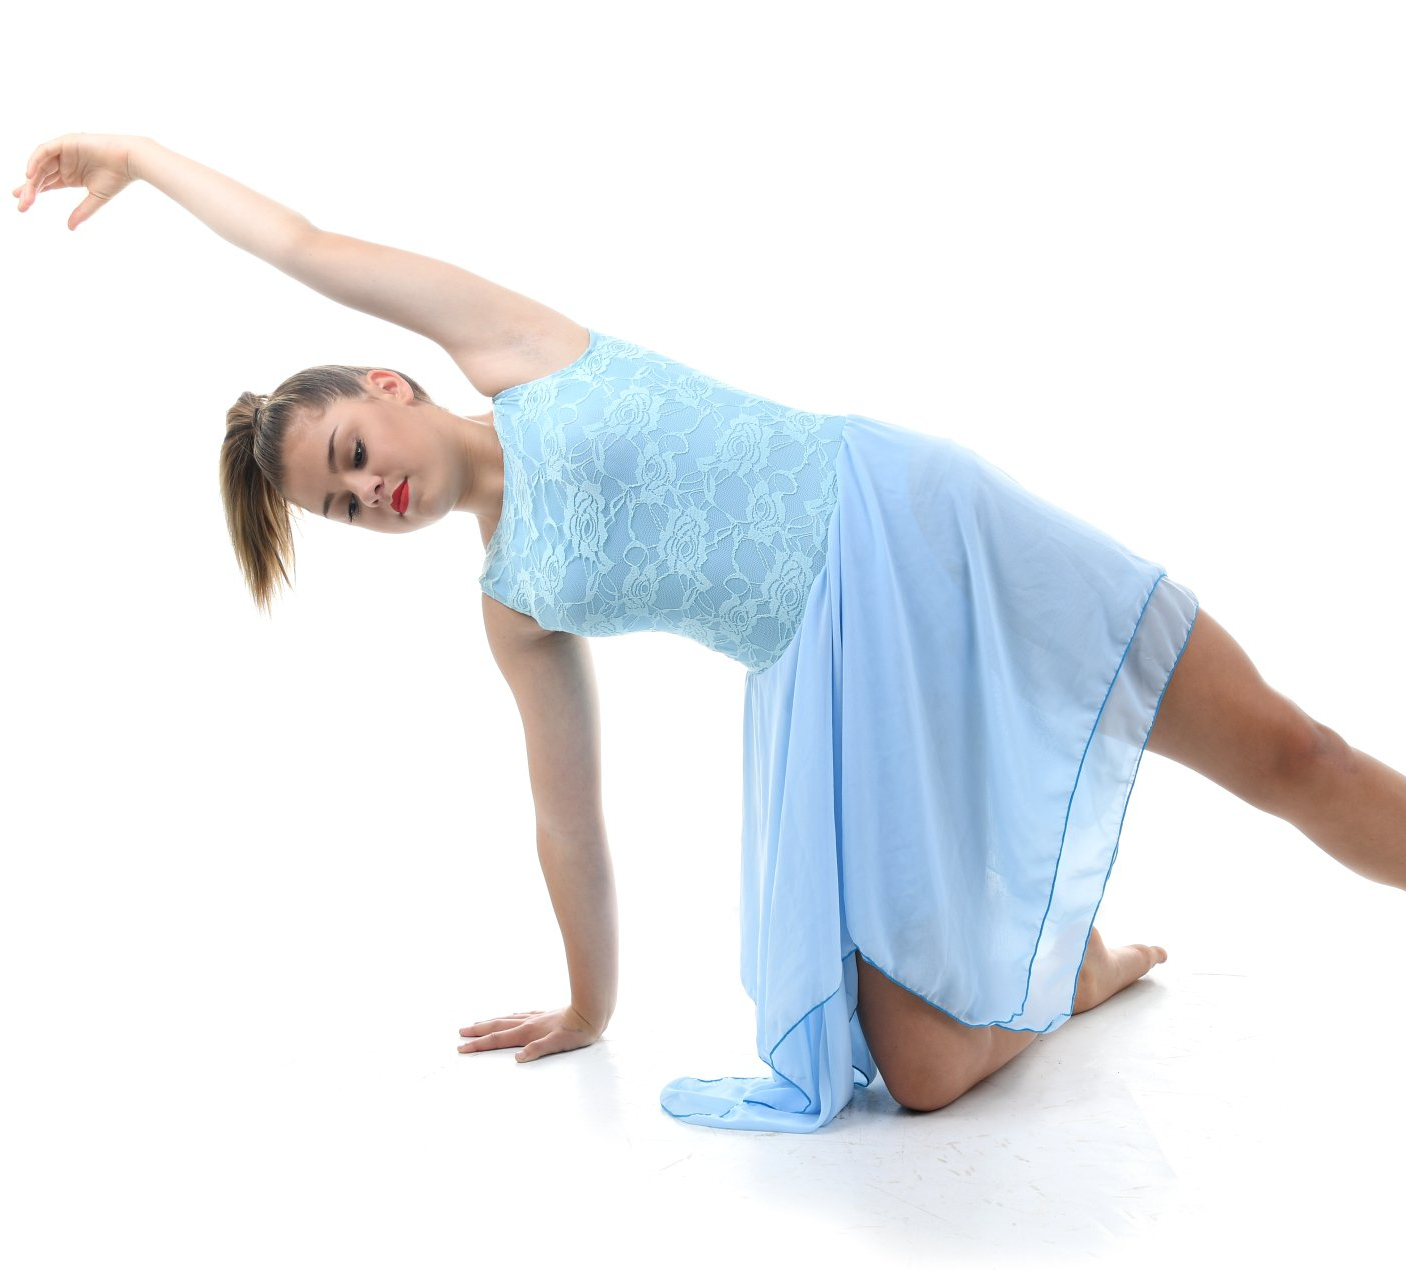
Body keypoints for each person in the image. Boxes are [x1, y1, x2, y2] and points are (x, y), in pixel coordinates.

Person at [16, 133, 1406, 1133]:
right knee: (915, 1074)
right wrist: (586, 1005)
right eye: (343, 507)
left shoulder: (510, 348)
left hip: (915, 524)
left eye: (353, 450)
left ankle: (1084, 945)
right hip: (835, 683)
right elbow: (569, 819)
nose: (371, 491)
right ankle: (1081, 966)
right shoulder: (515, 604)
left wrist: (144, 157)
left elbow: (307, 248)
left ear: (390, 383)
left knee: (1290, 751)